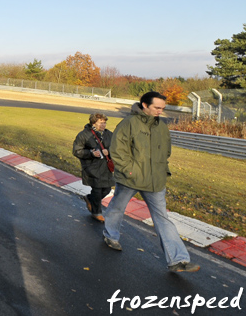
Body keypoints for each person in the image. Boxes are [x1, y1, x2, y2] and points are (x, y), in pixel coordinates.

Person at [102, 92, 200, 273]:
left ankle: (178, 260)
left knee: (163, 218)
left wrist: (162, 168)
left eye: (162, 108)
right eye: (157, 108)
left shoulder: (161, 127)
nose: (160, 111)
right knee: (117, 207)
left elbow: (166, 150)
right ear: (144, 105)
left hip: (155, 181)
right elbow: (117, 150)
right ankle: (111, 235)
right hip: (131, 178)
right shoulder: (129, 123)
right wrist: (131, 171)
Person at [72, 113, 114, 222]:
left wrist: (108, 151)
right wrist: (91, 153)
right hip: (92, 167)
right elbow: (77, 151)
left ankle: (89, 199)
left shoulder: (109, 134)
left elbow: (117, 148)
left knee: (107, 189)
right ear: (93, 122)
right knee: (97, 190)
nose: (103, 125)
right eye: (101, 122)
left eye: (105, 122)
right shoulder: (84, 135)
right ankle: (97, 213)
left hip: (106, 167)